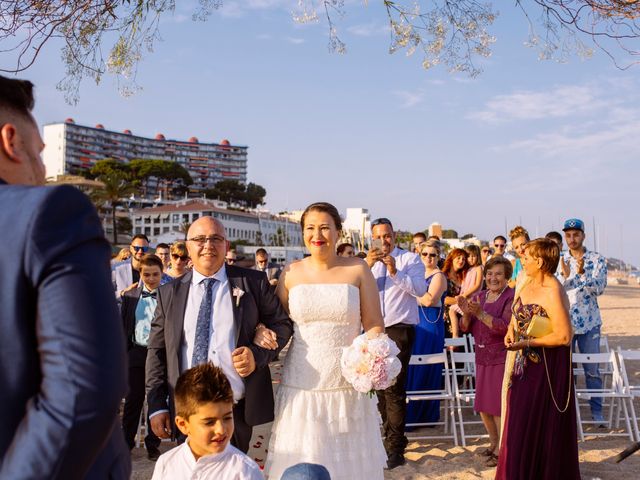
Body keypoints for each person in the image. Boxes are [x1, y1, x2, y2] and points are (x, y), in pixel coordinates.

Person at [0, 75, 130, 478]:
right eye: (40, 154)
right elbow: (81, 391)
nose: (42, 171)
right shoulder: (49, 213)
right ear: (11, 141)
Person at [262, 202, 387, 479]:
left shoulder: (358, 269)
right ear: (303, 233)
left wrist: (372, 357)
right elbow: (278, 322)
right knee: (304, 455)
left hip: (348, 380)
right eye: (310, 228)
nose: (317, 234)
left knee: (347, 458)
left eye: (324, 228)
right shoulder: (291, 273)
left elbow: (374, 323)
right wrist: (262, 331)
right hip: (301, 380)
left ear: (338, 232)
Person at [146, 217, 292, 453]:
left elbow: (283, 325)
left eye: (216, 239)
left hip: (235, 411)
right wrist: (156, 405)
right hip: (187, 410)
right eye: (200, 239)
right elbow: (157, 351)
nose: (208, 245)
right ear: (188, 246)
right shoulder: (168, 293)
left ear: (226, 244)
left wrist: (257, 355)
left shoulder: (252, 283)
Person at [497, 238, 579, 479]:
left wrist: (528, 343)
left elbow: (564, 336)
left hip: (547, 366)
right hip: (523, 362)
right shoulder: (525, 280)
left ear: (540, 261)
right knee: (518, 415)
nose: (522, 260)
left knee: (536, 419)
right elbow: (517, 311)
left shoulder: (553, 289)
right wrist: (511, 330)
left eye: (527, 257)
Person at [366, 217, 427, 469]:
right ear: (372, 238)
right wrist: (366, 266)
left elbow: (421, 290)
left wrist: (394, 272)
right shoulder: (364, 264)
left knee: (393, 390)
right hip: (371, 332)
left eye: (387, 235)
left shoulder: (409, 260)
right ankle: (389, 439)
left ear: (395, 235)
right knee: (377, 391)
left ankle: (395, 447)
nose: (383, 241)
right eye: (378, 236)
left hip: (399, 330)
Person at [151, 363, 263, 480]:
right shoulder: (166, 463)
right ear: (183, 424)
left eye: (227, 418)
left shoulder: (245, 472)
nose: (221, 429)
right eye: (209, 422)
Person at [457, 257, 514, 467]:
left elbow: (505, 327)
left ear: (507, 276)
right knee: (483, 407)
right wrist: (465, 313)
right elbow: (466, 327)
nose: (493, 277)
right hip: (481, 356)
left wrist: (480, 313)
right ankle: (493, 443)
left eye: (498, 273)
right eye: (489, 273)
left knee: (497, 407)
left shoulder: (510, 297)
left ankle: (502, 449)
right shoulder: (480, 296)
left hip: (500, 357)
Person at [560, 218, 607, 424]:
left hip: (590, 323)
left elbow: (600, 287)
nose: (572, 238)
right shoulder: (560, 259)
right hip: (565, 323)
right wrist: (566, 276)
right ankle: (567, 415)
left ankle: (597, 414)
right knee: (564, 371)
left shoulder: (596, 259)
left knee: (592, 370)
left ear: (583, 236)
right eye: (568, 235)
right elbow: (556, 287)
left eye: (576, 234)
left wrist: (581, 276)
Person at [121, 254, 164, 460]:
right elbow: (123, 327)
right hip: (136, 353)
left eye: (155, 274)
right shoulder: (130, 297)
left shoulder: (168, 294)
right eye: (147, 274)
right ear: (140, 273)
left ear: (162, 273)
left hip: (158, 354)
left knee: (155, 400)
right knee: (133, 401)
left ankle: (152, 445)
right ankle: (126, 443)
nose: (151, 278)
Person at [405, 239, 447, 425]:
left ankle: (423, 414)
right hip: (415, 323)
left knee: (425, 366)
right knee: (412, 367)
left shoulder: (438, 276)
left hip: (429, 325)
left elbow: (429, 300)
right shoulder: (416, 273)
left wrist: (409, 292)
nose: (428, 258)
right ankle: (410, 412)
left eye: (433, 255)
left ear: (438, 257)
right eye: (425, 254)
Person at [441, 248, 469, 340]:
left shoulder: (464, 276)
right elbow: (442, 298)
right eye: (458, 258)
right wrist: (459, 300)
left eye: (464, 259)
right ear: (451, 259)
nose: (461, 261)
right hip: (448, 317)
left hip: (462, 315)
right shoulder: (443, 276)